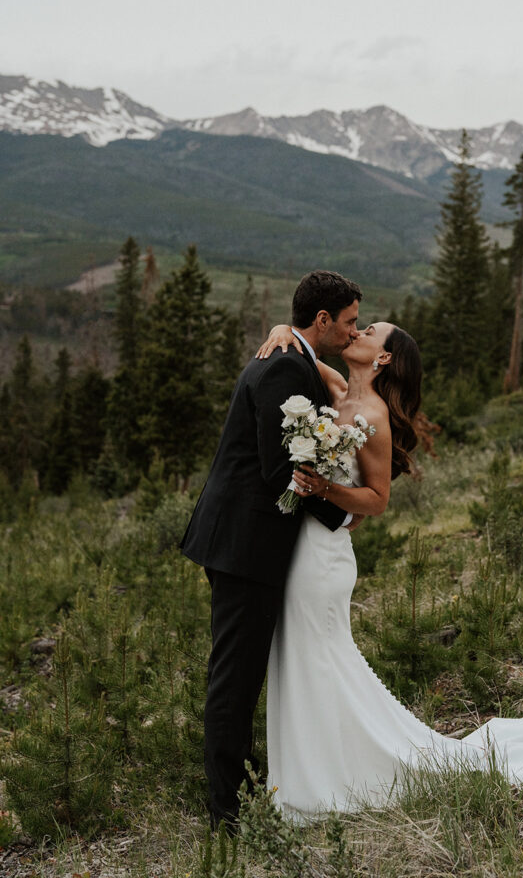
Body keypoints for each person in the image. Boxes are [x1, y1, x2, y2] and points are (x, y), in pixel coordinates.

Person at [257, 321, 523, 820]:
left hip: (325, 560)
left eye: (371, 331)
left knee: (316, 656)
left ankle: (321, 781)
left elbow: (376, 501)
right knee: (307, 655)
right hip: (304, 549)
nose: (359, 330)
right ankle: (310, 770)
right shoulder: (339, 389)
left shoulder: (374, 414)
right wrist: (281, 328)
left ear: (382, 359)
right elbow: (303, 347)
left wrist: (324, 490)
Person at [180, 269, 362, 829]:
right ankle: (224, 810)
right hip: (245, 544)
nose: (355, 332)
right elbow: (283, 468)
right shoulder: (286, 363)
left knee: (244, 669)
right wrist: (344, 512)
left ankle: (240, 779)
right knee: (235, 675)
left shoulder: (295, 356)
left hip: (246, 540)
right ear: (323, 319)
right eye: (350, 322)